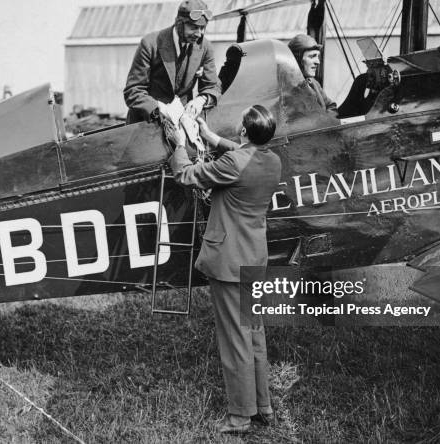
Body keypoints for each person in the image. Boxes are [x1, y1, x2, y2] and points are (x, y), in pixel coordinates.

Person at [165, 105, 282, 434]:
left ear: (244, 132)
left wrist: (178, 145)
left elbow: (186, 175)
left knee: (235, 341)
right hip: (254, 260)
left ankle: (240, 416)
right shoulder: (272, 161)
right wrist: (211, 136)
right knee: (254, 334)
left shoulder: (233, 164)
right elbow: (244, 154)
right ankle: (263, 407)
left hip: (229, 262)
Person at [123, 0, 220, 124]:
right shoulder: (150, 44)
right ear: (179, 23)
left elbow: (213, 86)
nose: (199, 34)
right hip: (147, 123)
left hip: (182, 123)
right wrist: (159, 109)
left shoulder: (205, 47)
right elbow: (133, 90)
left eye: (203, 28)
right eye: (194, 27)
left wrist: (200, 100)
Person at [288, 33, 337, 114]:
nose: (317, 62)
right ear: (296, 59)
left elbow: (331, 105)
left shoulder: (313, 82)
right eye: (312, 56)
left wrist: (327, 120)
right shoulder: (288, 89)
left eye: (318, 56)